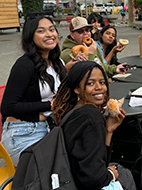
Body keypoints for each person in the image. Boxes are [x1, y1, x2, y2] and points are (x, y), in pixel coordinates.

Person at [0, 15, 67, 165]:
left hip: (48, 127)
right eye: (41, 31)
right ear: (31, 37)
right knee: (57, 169)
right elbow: (7, 107)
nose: (49, 34)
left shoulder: (56, 62)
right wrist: (50, 105)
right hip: (23, 132)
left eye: (52, 29)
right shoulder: (24, 65)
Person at [52, 61, 126, 189]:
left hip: (67, 178)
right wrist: (111, 175)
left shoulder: (71, 111)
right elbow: (94, 178)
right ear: (77, 89)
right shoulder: (91, 117)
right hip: (79, 184)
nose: (99, 87)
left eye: (102, 82)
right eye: (90, 83)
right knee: (126, 175)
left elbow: (98, 160)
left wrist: (108, 131)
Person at [60, 16, 127, 78]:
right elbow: (92, 74)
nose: (85, 33)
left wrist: (115, 69)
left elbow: (102, 66)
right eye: (80, 31)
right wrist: (90, 53)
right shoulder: (69, 53)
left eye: (87, 30)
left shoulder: (92, 46)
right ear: (72, 35)